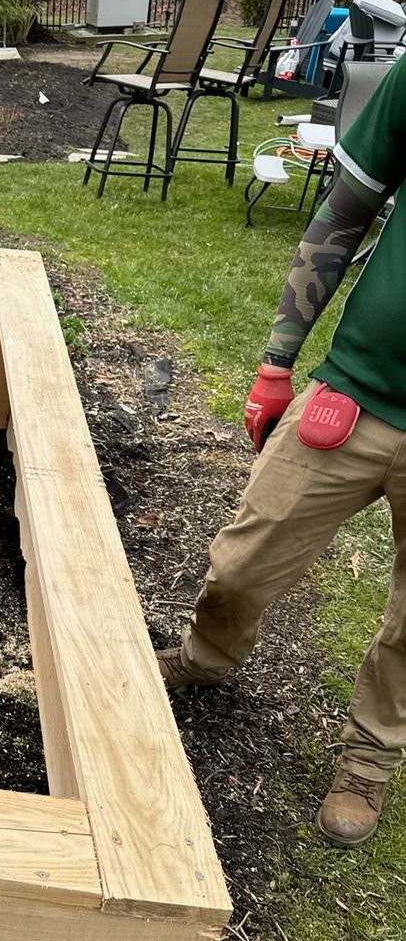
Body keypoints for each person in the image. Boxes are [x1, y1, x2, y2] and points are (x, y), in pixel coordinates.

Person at [157, 52, 406, 848]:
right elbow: (342, 214)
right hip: (359, 387)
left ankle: (368, 759)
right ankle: (207, 653)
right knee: (242, 560)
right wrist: (276, 360)